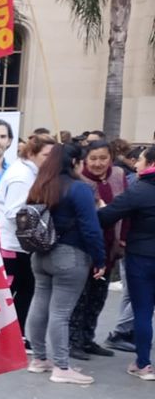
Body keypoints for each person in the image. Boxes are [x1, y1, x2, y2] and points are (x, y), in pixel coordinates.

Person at [25, 143, 106, 385]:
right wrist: (100, 259)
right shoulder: (79, 189)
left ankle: (39, 359)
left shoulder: (40, 185)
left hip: (40, 253)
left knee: (39, 306)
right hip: (70, 256)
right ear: (74, 162)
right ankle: (61, 366)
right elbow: (91, 228)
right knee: (61, 313)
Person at [98, 145, 155, 379]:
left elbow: (107, 216)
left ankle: (143, 364)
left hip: (141, 257)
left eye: (140, 160)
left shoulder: (139, 190)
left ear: (150, 163)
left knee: (142, 311)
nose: (136, 163)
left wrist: (100, 207)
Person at [0, 133, 58, 343]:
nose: (50, 160)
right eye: (46, 155)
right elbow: (14, 212)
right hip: (13, 243)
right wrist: (40, 217)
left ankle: (13, 334)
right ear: (32, 153)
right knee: (16, 289)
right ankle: (10, 335)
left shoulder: (28, 171)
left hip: (18, 242)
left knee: (23, 289)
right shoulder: (22, 176)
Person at [69, 140, 127, 359]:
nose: (98, 163)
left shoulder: (119, 175)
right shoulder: (78, 179)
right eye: (93, 158)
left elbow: (127, 208)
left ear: (111, 158)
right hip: (85, 248)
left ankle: (87, 338)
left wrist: (123, 240)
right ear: (84, 160)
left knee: (98, 297)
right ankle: (73, 341)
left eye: (103, 158)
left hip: (111, 247)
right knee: (80, 298)